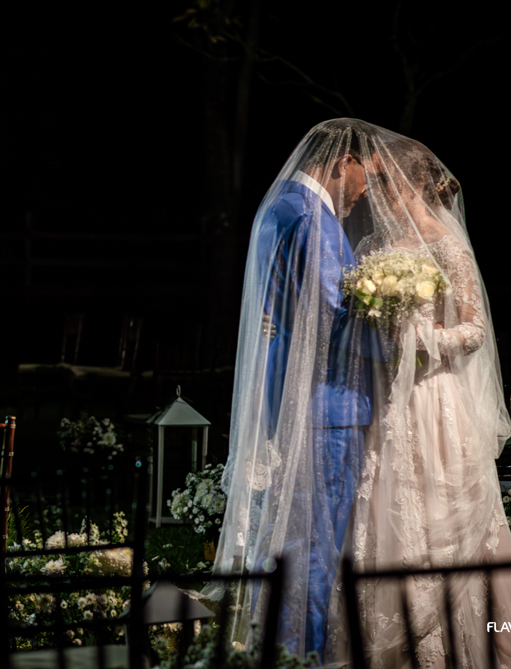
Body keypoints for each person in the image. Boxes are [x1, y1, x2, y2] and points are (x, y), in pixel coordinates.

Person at [324, 142, 511, 669]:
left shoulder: (447, 243)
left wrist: (423, 340)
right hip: (387, 401)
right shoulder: (376, 242)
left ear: (413, 182)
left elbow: (474, 330)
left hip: (436, 400)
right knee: (384, 513)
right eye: (373, 181)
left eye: (385, 180)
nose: (376, 190)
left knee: (450, 524)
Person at [211, 118, 384, 659]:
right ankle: (300, 654)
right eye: (364, 176)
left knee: (292, 540)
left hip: (292, 396)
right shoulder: (313, 219)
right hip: (326, 407)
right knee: (315, 546)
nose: (364, 192)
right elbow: (334, 316)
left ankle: (281, 647)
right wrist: (405, 343)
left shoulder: (279, 206)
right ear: (341, 163)